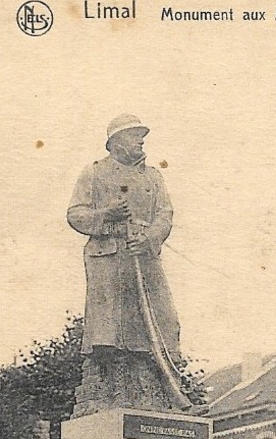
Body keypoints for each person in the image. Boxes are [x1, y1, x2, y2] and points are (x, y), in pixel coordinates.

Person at [67, 114, 188, 413]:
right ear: (116, 142)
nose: (141, 140)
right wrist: (106, 214)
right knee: (111, 330)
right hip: (108, 259)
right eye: (135, 135)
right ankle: (114, 391)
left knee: (160, 322)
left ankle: (161, 391)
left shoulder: (153, 177)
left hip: (144, 257)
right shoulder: (94, 173)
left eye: (141, 135)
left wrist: (149, 239)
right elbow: (75, 214)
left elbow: (165, 214)